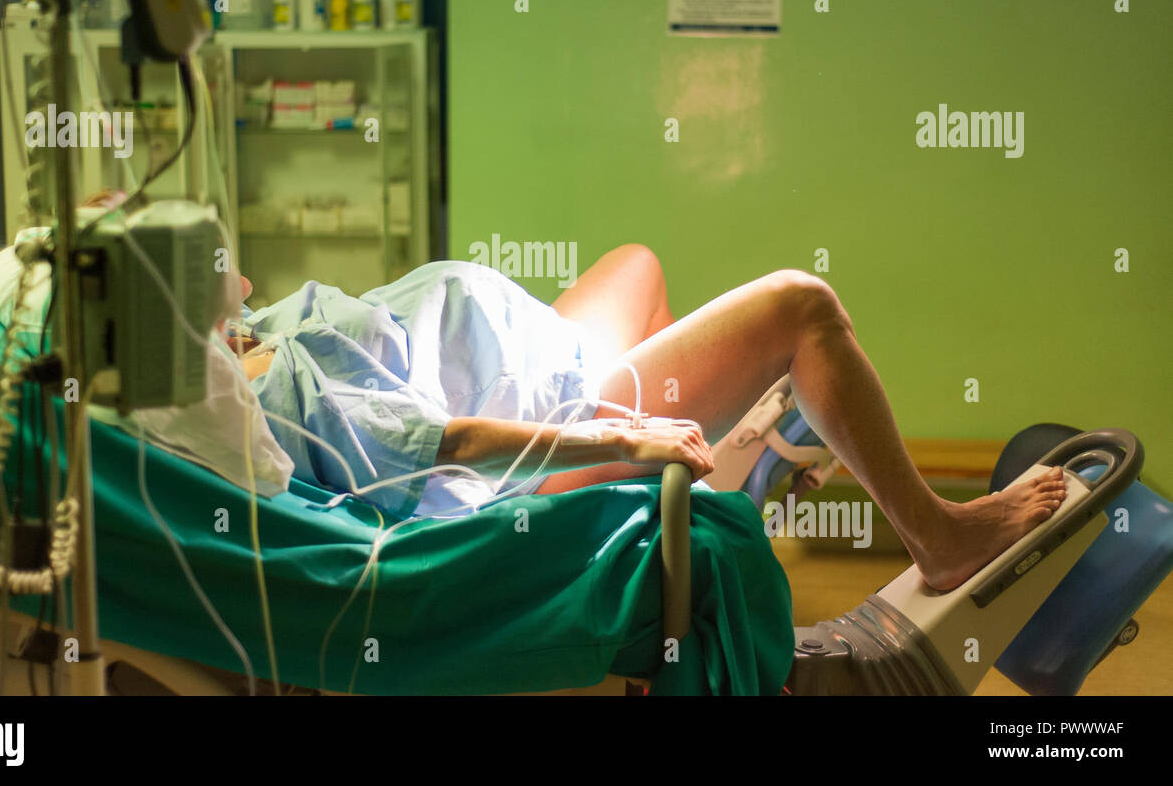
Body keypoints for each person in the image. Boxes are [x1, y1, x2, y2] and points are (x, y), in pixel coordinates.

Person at [235, 243, 1067, 591]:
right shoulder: (271, 385)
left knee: (637, 262)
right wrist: (620, 434)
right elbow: (436, 448)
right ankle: (938, 535)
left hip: (541, 360)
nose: (217, 255)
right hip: (547, 434)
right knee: (800, 307)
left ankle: (714, 481)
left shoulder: (255, 332)